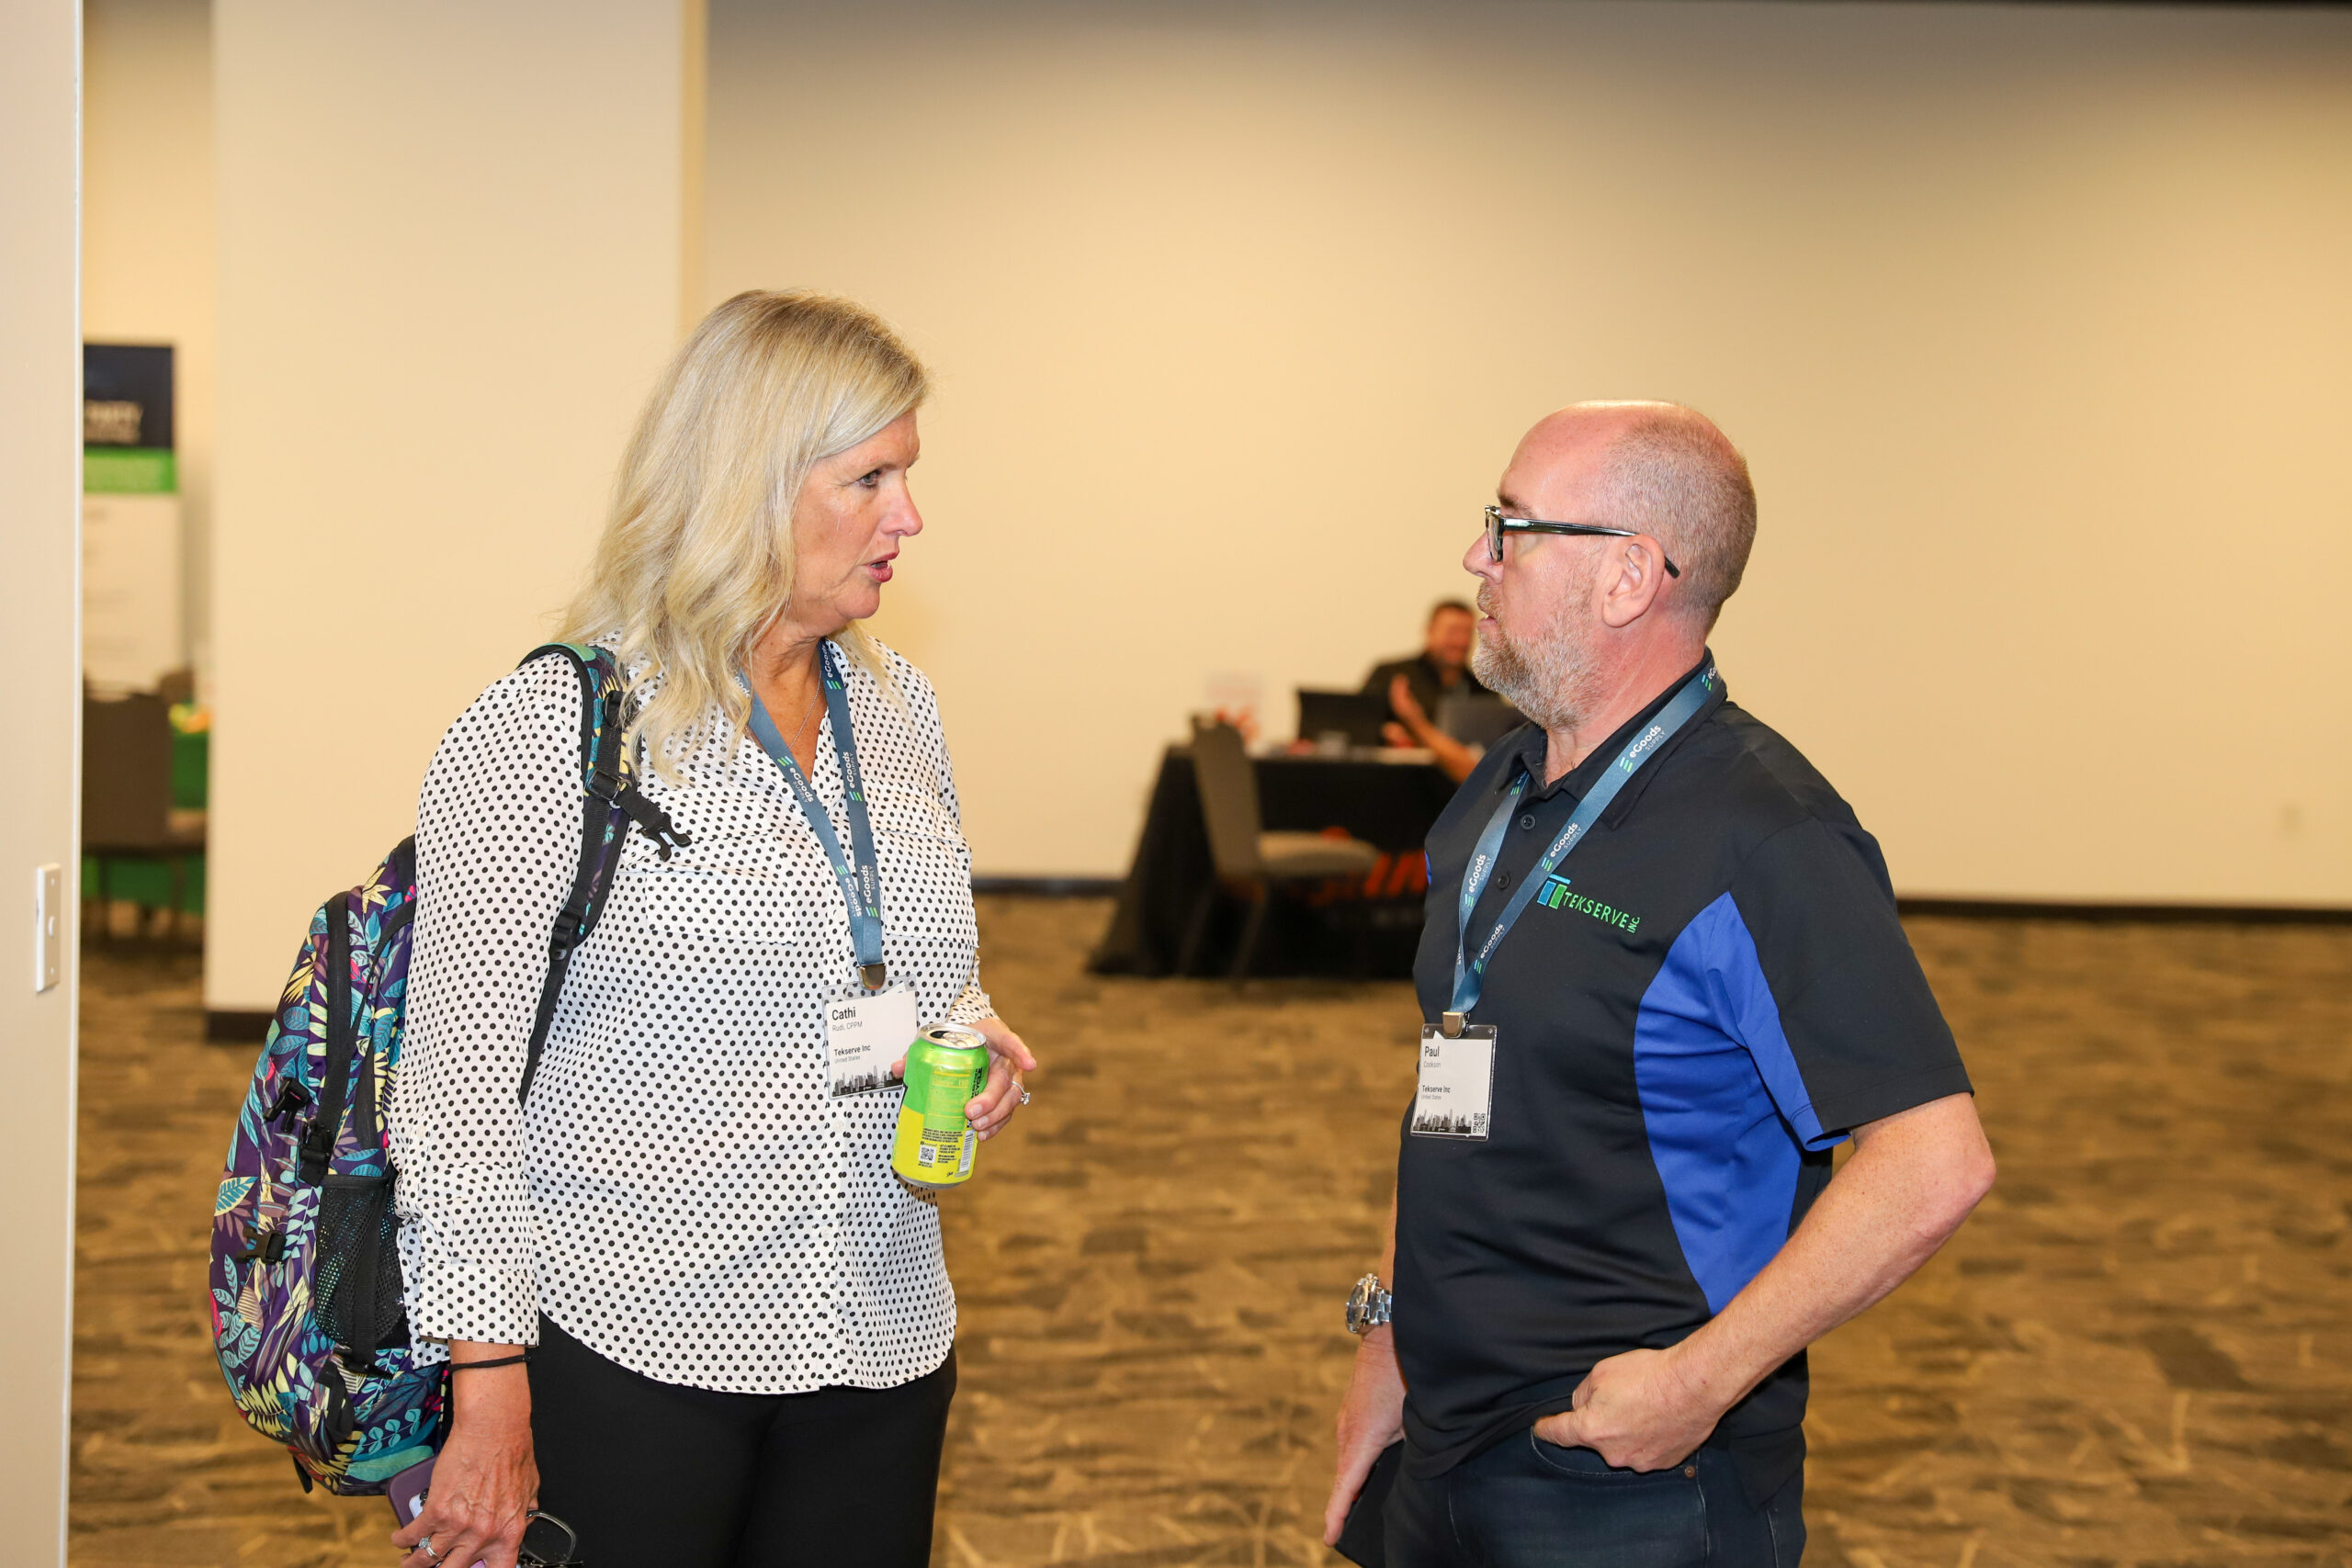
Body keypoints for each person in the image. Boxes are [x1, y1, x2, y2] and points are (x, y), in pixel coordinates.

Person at [387, 291, 1037, 1568]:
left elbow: (915, 967)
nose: (909, 517)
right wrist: (489, 1384)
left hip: (880, 1330)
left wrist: (970, 1037)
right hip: (630, 1341)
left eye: (907, 475)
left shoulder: (900, 708)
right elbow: (456, 1095)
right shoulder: (556, 727)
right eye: (870, 479)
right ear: (751, 485)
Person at [1323, 401, 1995, 1566]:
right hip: (1442, 1431)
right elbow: (1451, 1072)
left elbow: (1935, 1160)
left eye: (1511, 526)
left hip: (1624, 1474)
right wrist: (1389, 1338)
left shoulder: (1766, 834)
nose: (1476, 556)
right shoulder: (1497, 788)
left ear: (1628, 576)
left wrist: (1698, 1382)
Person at [1361, 599, 1485, 725]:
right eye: (1452, 631)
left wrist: (1415, 723)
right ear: (1430, 631)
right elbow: (1360, 725)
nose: (1460, 641)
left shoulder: (1482, 689)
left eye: (1467, 632)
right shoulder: (1390, 676)